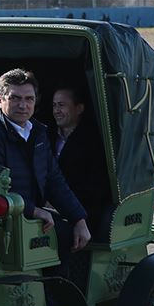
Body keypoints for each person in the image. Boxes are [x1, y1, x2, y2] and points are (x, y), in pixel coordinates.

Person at [0, 69, 91, 257]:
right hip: (2, 221)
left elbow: (53, 179)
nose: (23, 105)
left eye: (29, 99)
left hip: (28, 214)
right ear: (0, 99)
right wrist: (35, 211)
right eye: (15, 98)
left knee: (74, 234)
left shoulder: (37, 132)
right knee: (63, 236)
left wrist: (79, 219)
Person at [50, 86, 112, 237]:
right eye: (54, 105)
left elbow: (96, 187)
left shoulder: (93, 142)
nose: (56, 110)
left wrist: (61, 204)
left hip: (82, 210)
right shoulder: (46, 136)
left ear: (79, 109)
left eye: (62, 105)